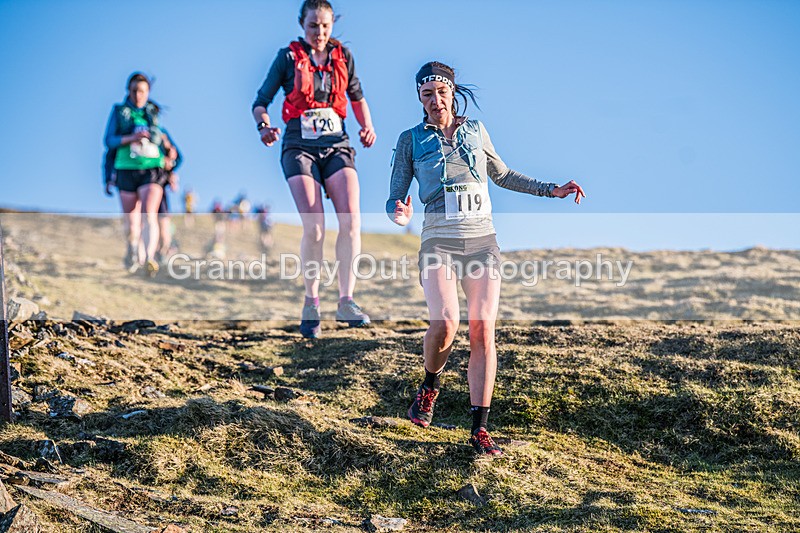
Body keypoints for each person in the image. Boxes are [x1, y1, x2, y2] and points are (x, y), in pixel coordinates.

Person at [387, 62, 586, 457]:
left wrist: (552, 190)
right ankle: (429, 385)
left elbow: (504, 174)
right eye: (427, 95)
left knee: (482, 330)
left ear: (452, 92)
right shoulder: (410, 140)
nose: (435, 100)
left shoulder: (475, 131)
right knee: (444, 323)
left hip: (482, 242)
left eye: (441, 92)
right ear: (420, 99)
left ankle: (479, 429)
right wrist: (399, 211)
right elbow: (396, 192)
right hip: (439, 242)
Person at [252, 0, 377, 338]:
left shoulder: (344, 57)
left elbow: (356, 96)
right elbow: (260, 101)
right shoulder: (288, 58)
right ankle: (311, 302)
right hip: (298, 145)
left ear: (332, 24)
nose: (319, 33)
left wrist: (367, 126)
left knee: (351, 219)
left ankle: (347, 301)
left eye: (324, 26)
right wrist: (264, 126)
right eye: (312, 26)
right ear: (302, 25)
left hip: (337, 143)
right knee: (316, 227)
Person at [104, 72, 176, 276]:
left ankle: (148, 259)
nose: (138, 95)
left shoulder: (153, 114)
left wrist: (170, 155)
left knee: (149, 214)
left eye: (142, 91)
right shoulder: (119, 112)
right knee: (132, 221)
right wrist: (131, 138)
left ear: (148, 92)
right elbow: (108, 141)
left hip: (151, 168)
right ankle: (133, 250)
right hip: (125, 167)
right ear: (128, 90)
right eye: (134, 90)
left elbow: (163, 139)